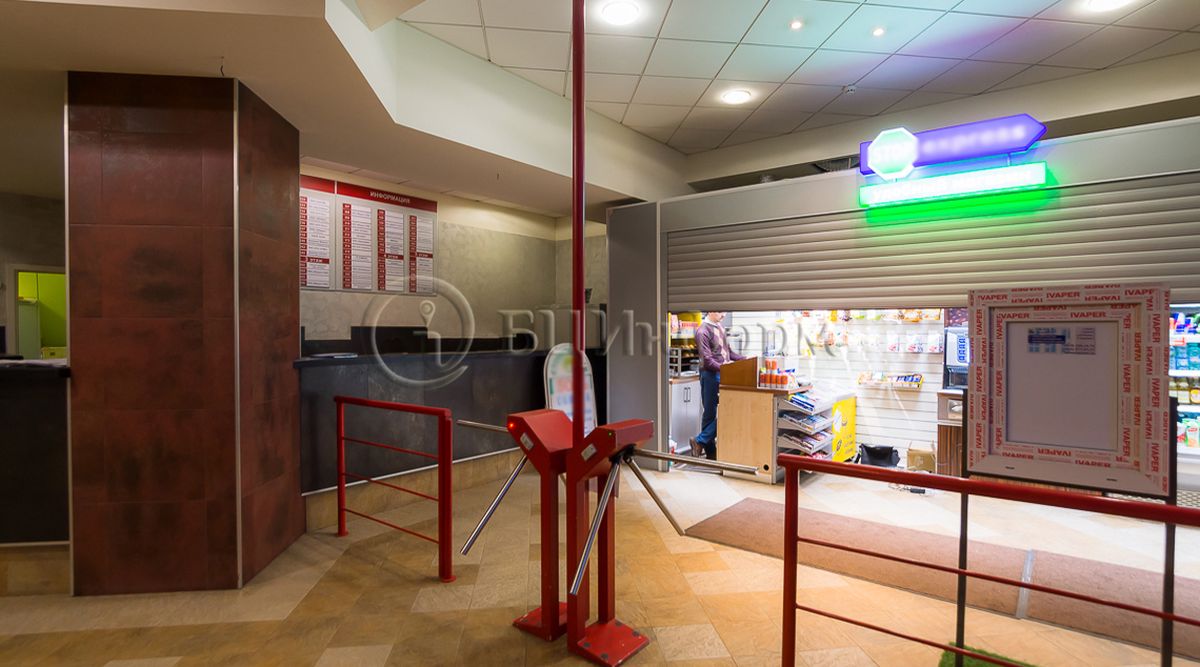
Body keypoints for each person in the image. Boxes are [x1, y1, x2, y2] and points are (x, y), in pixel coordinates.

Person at [690, 311, 744, 460]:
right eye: (720, 312)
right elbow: (707, 361)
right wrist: (726, 368)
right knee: (710, 413)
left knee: (728, 410)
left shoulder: (719, 327)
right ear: (711, 310)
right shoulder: (702, 331)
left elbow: (729, 353)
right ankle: (710, 452)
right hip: (710, 375)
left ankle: (700, 441)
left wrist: (745, 359)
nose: (724, 315)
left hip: (722, 374)